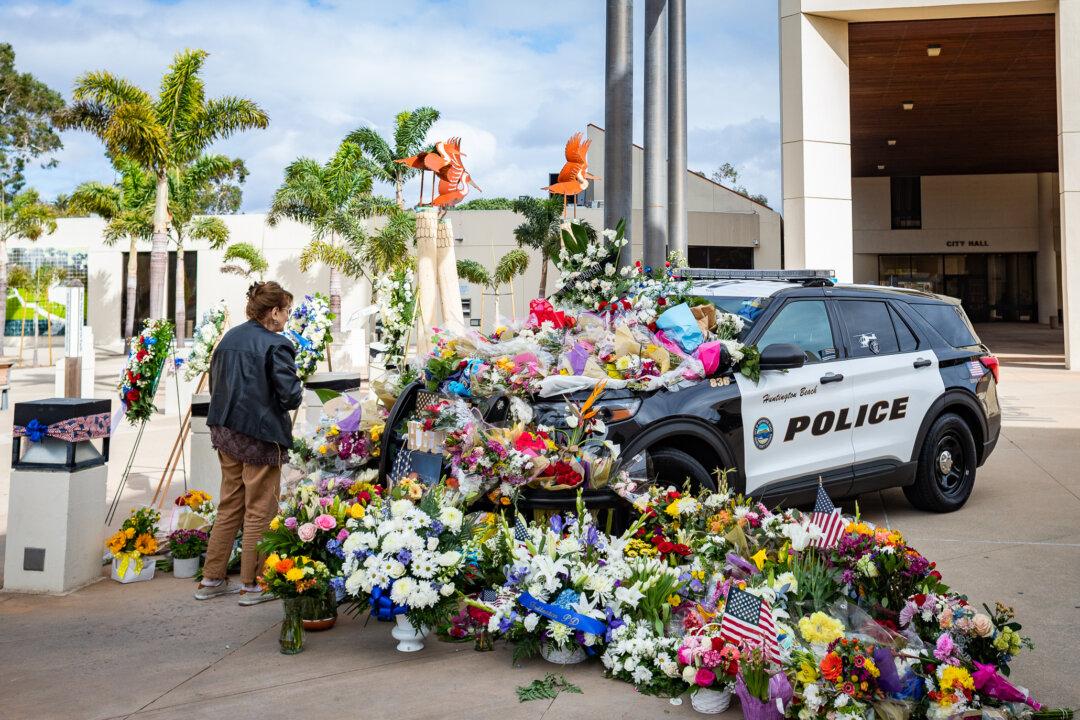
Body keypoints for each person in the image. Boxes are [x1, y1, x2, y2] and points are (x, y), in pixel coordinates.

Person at [195, 281, 303, 604]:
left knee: (229, 505)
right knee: (260, 509)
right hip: (260, 436)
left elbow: (217, 385)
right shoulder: (277, 344)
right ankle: (253, 584)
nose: (288, 317)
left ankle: (211, 579)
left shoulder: (229, 339)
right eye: (286, 311)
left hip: (226, 432)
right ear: (274, 311)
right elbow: (290, 396)